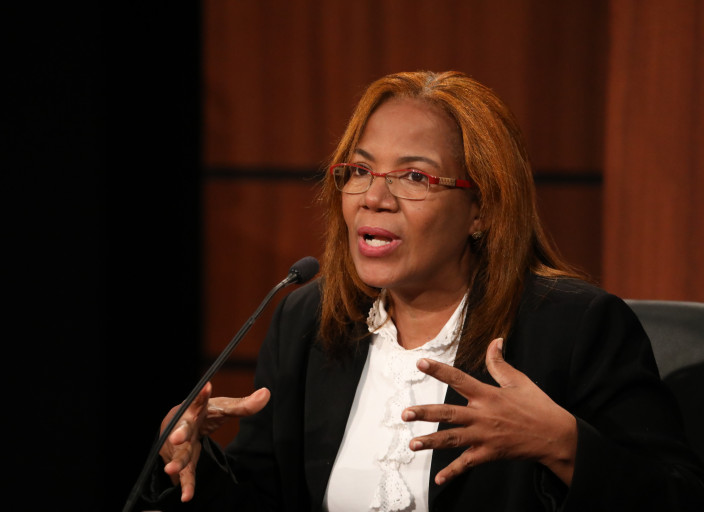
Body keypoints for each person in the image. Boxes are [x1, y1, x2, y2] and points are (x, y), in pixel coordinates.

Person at [141, 71, 704, 511]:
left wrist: (565, 445)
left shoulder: (573, 329)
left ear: (481, 209)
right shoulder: (310, 321)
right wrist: (193, 465)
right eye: (360, 170)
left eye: (414, 177)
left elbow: (679, 497)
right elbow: (266, 499)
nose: (374, 197)